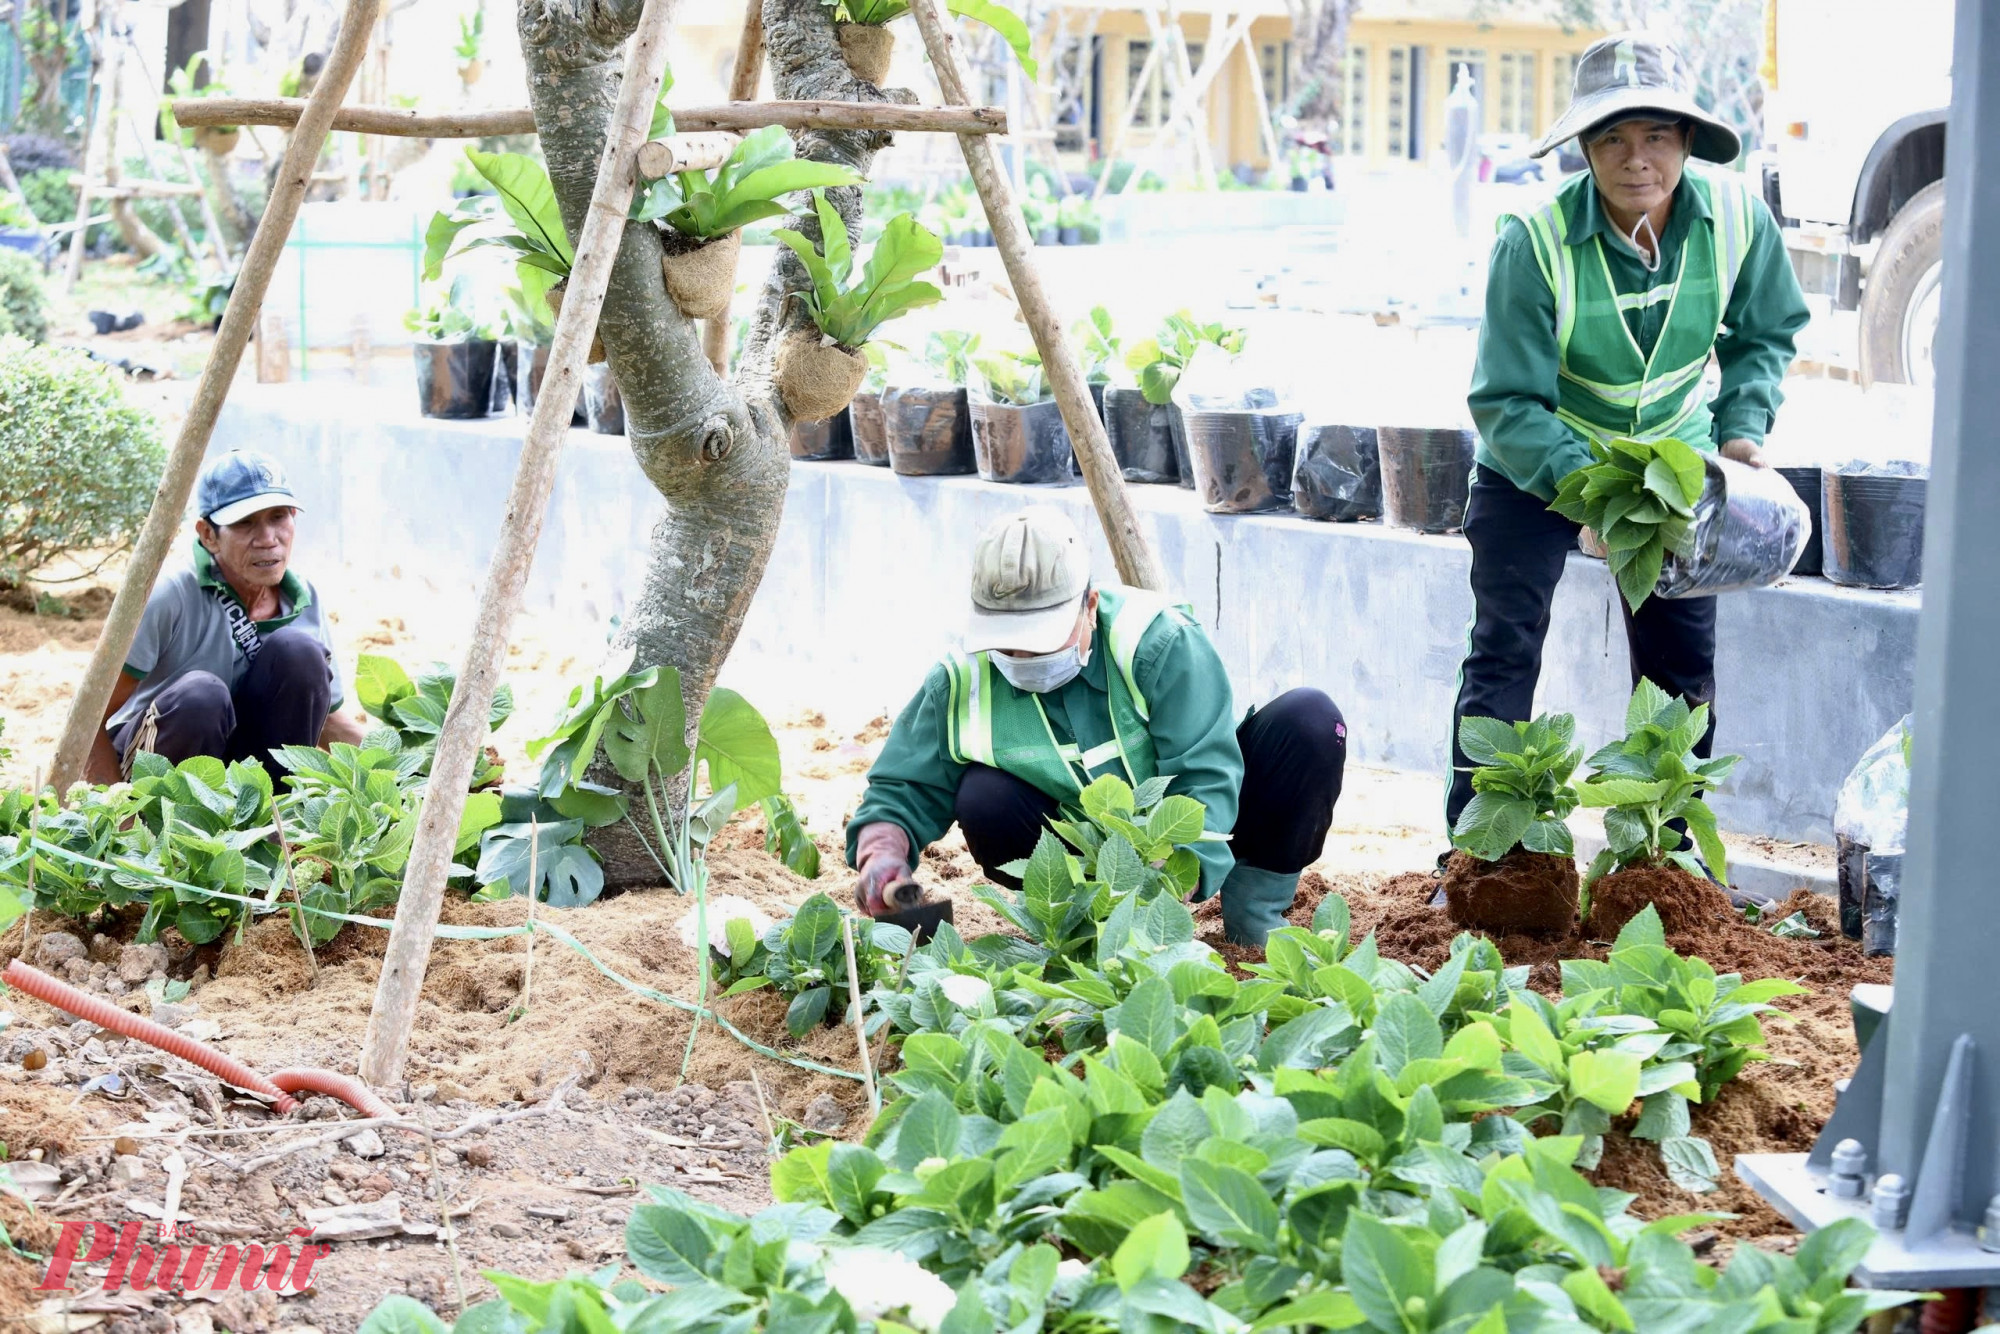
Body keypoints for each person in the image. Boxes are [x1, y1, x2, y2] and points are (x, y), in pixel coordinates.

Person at [1445, 32, 1809, 839]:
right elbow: (1507, 402)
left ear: (1687, 140)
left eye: (1656, 135)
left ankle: (1667, 851)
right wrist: (1591, 501)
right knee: (1505, 648)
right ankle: (1480, 854)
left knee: (1681, 668)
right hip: (1535, 462)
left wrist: (1742, 430)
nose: (1635, 158)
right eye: (1611, 136)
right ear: (1584, 148)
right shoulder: (1533, 243)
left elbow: (1766, 331)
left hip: (1671, 463)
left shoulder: (1736, 221)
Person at [845, 508, 1348, 947]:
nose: (1022, 656)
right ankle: (1074, 922)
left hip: (1199, 827)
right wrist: (882, 855)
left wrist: (1171, 874)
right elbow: (903, 789)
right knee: (984, 797)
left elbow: (1205, 774)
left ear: (1089, 605)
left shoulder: (1156, 642)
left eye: (1041, 639)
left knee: (1310, 722)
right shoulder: (961, 680)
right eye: (1007, 641)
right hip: (1078, 848)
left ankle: (1255, 912)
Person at [85, 450, 367, 783]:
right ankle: (161, 811)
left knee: (299, 652)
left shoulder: (302, 598)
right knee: (201, 697)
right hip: (155, 770)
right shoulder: (169, 594)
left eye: (278, 517)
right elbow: (88, 720)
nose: (268, 539)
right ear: (208, 535)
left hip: (243, 778)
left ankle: (272, 810)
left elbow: (328, 722)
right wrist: (116, 807)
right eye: (245, 522)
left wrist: (403, 773)